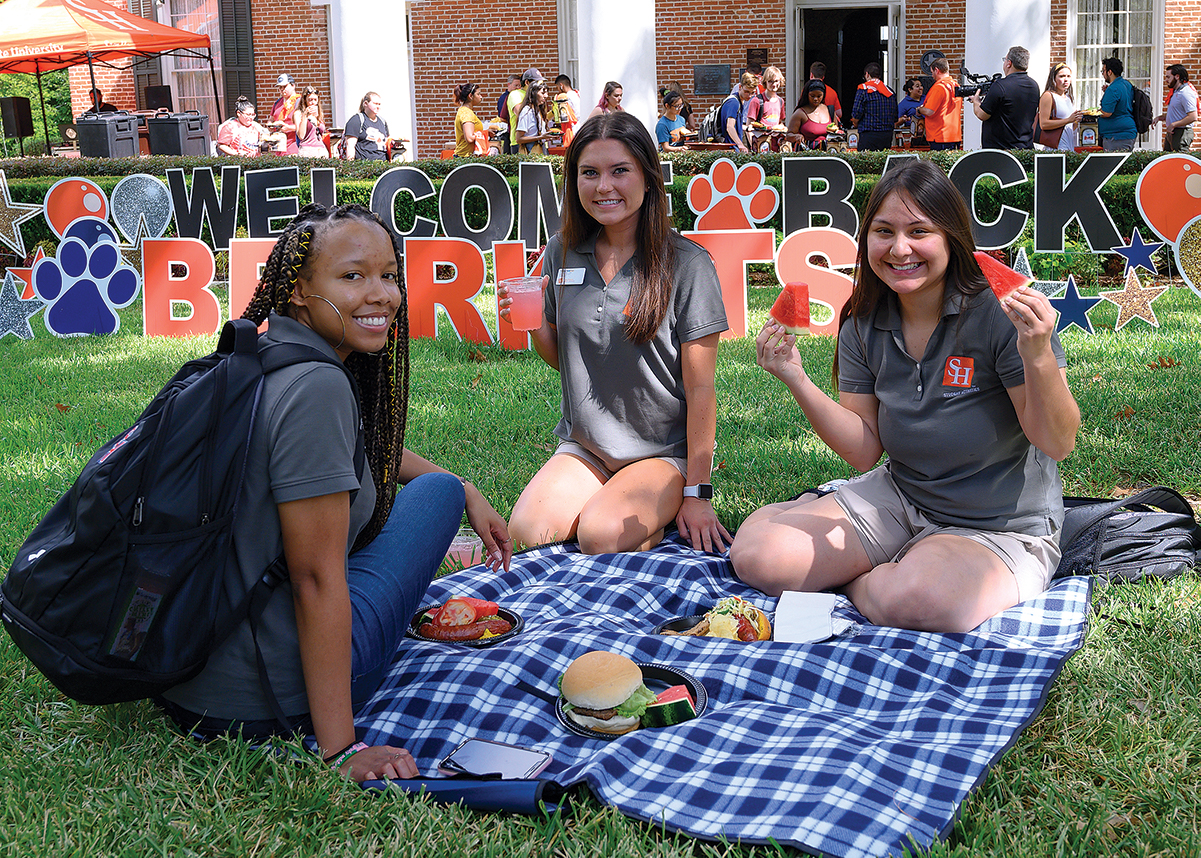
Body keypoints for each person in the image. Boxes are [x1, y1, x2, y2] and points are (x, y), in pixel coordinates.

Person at [155, 203, 513, 780]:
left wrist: (472, 489)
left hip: (192, 667)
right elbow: (314, 580)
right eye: (352, 276)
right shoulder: (318, 388)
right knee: (438, 494)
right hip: (270, 695)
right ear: (298, 289)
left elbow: (354, 452)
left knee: (446, 488)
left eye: (389, 275)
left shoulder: (258, 353)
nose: (381, 295)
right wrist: (341, 750)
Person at [730, 160, 1079, 634]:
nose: (900, 249)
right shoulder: (862, 320)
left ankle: (861, 579)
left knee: (924, 602)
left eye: (919, 231)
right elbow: (863, 449)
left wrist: (1037, 353)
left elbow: (1057, 442)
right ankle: (868, 552)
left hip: (1000, 526)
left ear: (952, 239)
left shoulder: (1002, 315)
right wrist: (795, 377)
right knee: (756, 557)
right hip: (901, 496)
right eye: (883, 231)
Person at [499, 112, 731, 556]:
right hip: (586, 447)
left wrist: (697, 493)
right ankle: (617, 510)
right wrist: (529, 326)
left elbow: (702, 389)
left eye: (619, 170)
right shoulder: (560, 251)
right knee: (528, 532)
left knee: (599, 535)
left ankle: (647, 523)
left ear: (647, 177)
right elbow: (565, 358)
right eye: (589, 173)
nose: (604, 186)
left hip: (662, 453)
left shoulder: (687, 264)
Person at [970, 46, 1041, 150]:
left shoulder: (1000, 85)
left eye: (1005, 60)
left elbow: (982, 114)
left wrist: (976, 101)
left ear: (1009, 63)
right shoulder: (1034, 85)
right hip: (1025, 148)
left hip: (1001, 152)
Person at [850, 63, 898, 151]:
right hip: (886, 135)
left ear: (867, 74)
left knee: (866, 162)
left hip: (868, 134)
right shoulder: (890, 91)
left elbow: (856, 113)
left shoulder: (863, 89)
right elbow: (895, 117)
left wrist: (855, 123)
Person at [1036, 63, 1083, 151]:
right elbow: (1043, 124)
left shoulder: (1069, 98)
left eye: (1068, 76)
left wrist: (1076, 120)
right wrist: (1068, 120)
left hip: (1069, 147)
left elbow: (1070, 127)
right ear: (1053, 79)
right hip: (1055, 148)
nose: (1066, 80)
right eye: (1061, 76)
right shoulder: (1048, 96)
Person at [919, 58, 963, 150]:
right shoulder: (956, 85)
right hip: (954, 135)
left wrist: (919, 110)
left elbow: (929, 111)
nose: (932, 75)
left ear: (937, 70)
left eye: (932, 72)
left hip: (939, 135)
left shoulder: (939, 88)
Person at [1098, 56, 1138, 152]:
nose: (1103, 74)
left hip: (1116, 136)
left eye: (1103, 71)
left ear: (1110, 72)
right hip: (1127, 131)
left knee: (1113, 165)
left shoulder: (1113, 88)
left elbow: (1107, 113)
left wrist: (1092, 112)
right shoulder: (1126, 84)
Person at [1157, 64, 1198, 152]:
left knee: (1179, 161)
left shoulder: (1185, 93)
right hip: (1173, 132)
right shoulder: (1176, 92)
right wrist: (1160, 118)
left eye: (1168, 77)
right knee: (1168, 161)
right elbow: (1177, 113)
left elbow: (1193, 116)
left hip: (1182, 132)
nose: (1166, 80)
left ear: (1177, 76)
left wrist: (1174, 124)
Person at [746, 65, 787, 150]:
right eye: (770, 81)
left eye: (776, 81)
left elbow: (780, 122)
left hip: (776, 145)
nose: (774, 84)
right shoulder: (757, 100)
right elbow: (749, 126)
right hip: (761, 143)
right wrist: (753, 146)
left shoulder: (780, 101)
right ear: (765, 82)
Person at [787, 79, 834, 149]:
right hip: (806, 153)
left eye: (819, 96)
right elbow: (788, 136)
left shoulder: (829, 110)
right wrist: (796, 137)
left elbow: (836, 131)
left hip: (827, 153)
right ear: (807, 95)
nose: (815, 99)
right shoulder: (800, 113)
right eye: (812, 96)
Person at [343, 92, 391, 161]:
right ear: (365, 103)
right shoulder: (356, 120)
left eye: (379, 104)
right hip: (365, 166)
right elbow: (350, 146)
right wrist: (351, 165)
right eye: (375, 104)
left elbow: (387, 144)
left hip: (382, 165)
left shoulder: (382, 122)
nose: (378, 107)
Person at [515, 81, 557, 154]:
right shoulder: (527, 111)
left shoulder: (538, 110)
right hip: (530, 150)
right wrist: (540, 137)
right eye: (543, 93)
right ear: (534, 93)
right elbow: (519, 139)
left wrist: (548, 136)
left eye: (546, 93)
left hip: (540, 148)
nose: (546, 96)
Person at [719, 73, 756, 153]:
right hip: (729, 149)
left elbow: (735, 124)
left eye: (752, 93)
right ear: (740, 87)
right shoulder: (733, 103)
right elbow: (730, 127)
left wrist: (746, 128)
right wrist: (740, 145)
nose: (749, 96)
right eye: (746, 91)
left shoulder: (739, 102)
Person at [508, 68, 544, 151]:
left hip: (538, 141)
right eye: (537, 83)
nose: (540, 86)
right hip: (520, 143)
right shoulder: (515, 94)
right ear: (527, 82)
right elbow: (521, 113)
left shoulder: (537, 96)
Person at [453, 83, 490, 156]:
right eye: (478, 94)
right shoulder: (467, 114)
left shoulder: (464, 110)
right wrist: (486, 134)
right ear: (470, 96)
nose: (481, 97)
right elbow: (469, 138)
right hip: (465, 157)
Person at [293, 86, 329, 158]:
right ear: (305, 100)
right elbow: (301, 135)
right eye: (310, 100)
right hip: (307, 150)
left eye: (315, 100)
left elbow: (321, 132)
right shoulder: (298, 114)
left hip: (321, 149)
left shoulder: (318, 114)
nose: (313, 103)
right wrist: (305, 116)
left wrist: (317, 118)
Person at [269, 73, 300, 155]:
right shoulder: (277, 103)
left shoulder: (300, 102)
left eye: (285, 86)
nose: (282, 89)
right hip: (278, 146)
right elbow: (271, 119)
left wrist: (289, 128)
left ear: (293, 86)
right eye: (280, 87)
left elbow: (307, 125)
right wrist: (270, 126)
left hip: (294, 145)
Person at [553, 74, 582, 147]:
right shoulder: (577, 93)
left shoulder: (565, 97)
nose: (558, 90)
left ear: (561, 85)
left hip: (571, 130)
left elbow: (562, 117)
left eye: (558, 88)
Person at [498, 74, 522, 154]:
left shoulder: (520, 95)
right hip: (508, 133)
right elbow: (502, 117)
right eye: (515, 85)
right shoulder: (504, 98)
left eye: (519, 85)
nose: (518, 87)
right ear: (509, 84)